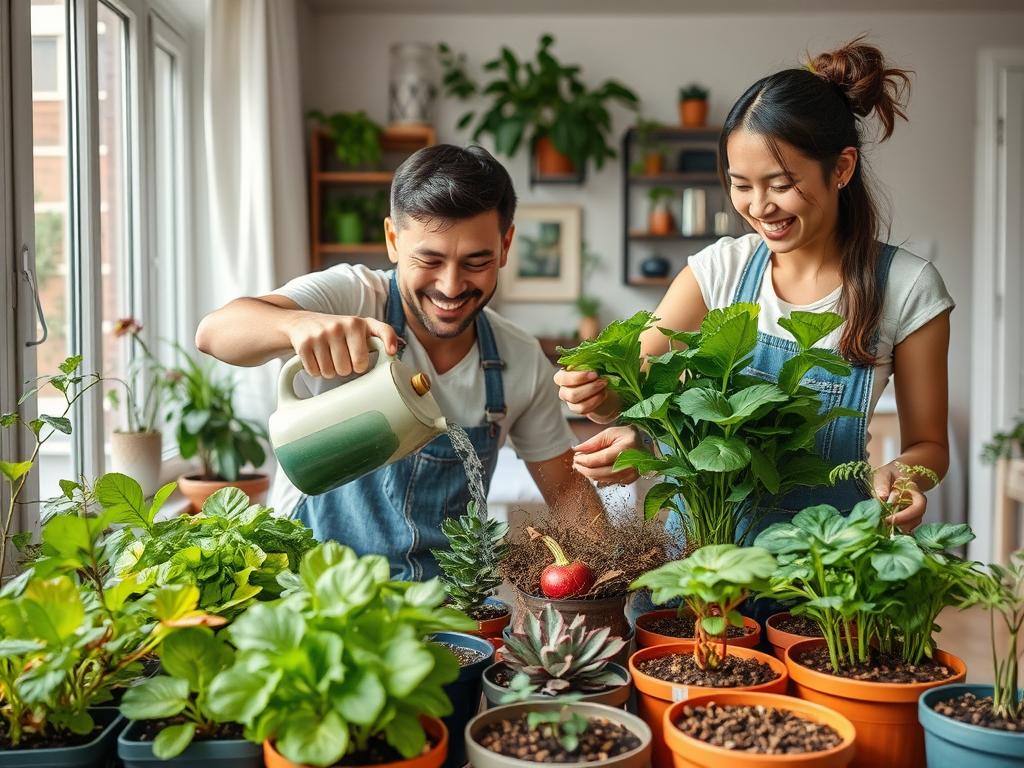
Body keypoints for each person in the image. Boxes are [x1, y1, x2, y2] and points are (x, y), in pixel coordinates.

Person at [557, 39, 953, 536]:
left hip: (824, 566)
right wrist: (599, 399)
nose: (758, 206)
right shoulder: (720, 269)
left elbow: (930, 446)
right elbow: (634, 393)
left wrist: (904, 474)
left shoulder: (907, 286)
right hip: (703, 565)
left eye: (780, 183)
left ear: (842, 169)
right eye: (741, 184)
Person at [196, 144, 606, 580]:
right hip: (314, 591)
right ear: (393, 239)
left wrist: (612, 576)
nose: (451, 286)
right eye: (429, 259)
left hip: (448, 606)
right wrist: (297, 325)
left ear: (505, 246)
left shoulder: (518, 357)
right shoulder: (352, 296)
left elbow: (568, 494)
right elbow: (215, 333)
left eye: (476, 262)